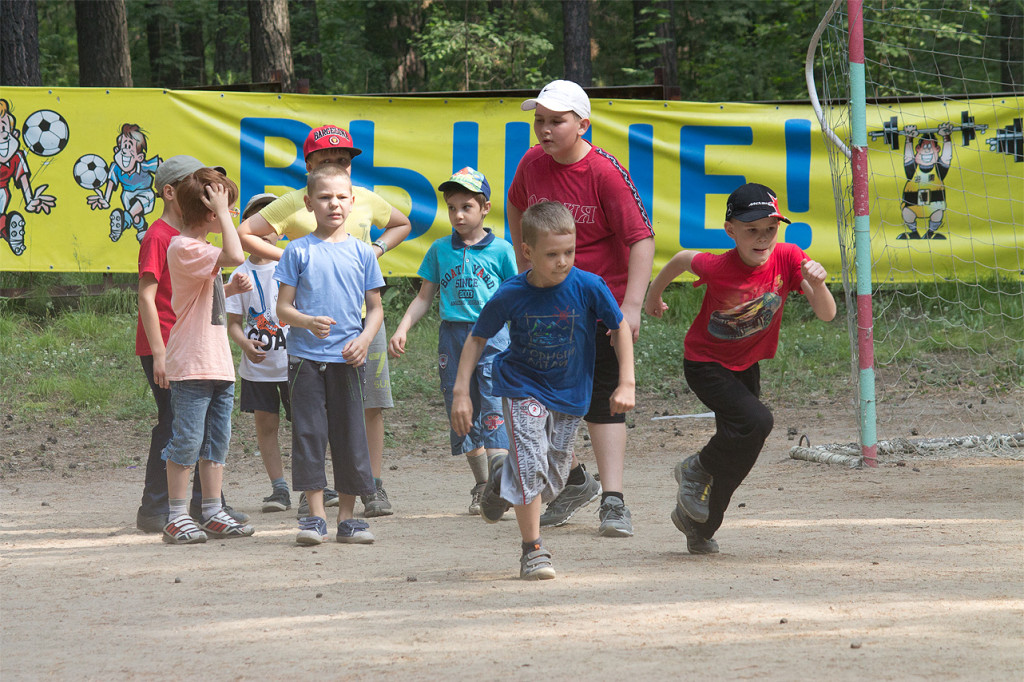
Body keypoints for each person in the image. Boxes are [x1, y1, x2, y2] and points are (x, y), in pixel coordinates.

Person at [644, 182, 837, 554]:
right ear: (730, 230)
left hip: (746, 366)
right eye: (752, 229)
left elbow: (826, 313)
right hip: (705, 363)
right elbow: (683, 259)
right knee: (759, 422)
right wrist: (654, 296)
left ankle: (699, 526)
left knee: (743, 447)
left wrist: (817, 283)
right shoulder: (719, 265)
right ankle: (695, 467)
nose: (762, 237)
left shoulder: (789, 256)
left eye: (770, 228)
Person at [452, 201, 635, 580]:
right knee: (531, 467)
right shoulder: (511, 293)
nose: (563, 261)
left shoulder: (588, 285)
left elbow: (619, 328)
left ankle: (503, 479)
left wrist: (626, 381)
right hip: (522, 387)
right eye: (552, 254)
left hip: (570, 395)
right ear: (527, 251)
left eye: (569, 252)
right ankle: (532, 550)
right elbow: (477, 337)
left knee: (552, 482)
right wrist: (460, 393)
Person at [506, 79, 655, 537]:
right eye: (540, 121)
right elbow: (516, 208)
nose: (545, 131)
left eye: (556, 121)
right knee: (542, 396)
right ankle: (572, 481)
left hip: (597, 302)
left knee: (602, 399)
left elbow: (641, 239)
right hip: (548, 304)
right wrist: (522, 261)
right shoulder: (532, 163)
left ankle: (613, 500)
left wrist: (630, 306)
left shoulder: (605, 172)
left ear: (582, 124)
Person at [238, 125, 411, 518]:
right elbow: (246, 232)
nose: (336, 165)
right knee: (315, 413)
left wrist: (378, 248)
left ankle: (373, 487)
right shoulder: (295, 203)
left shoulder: (362, 198)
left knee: (370, 404)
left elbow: (402, 223)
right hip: (313, 329)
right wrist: (291, 260)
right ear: (309, 164)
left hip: (363, 325)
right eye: (327, 159)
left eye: (344, 161)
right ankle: (314, 491)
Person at [388, 167, 517, 514]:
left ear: (485, 208)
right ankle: (481, 485)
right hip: (452, 338)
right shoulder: (439, 249)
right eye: (452, 207)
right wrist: (402, 327)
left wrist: (522, 339)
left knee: (493, 407)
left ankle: (499, 485)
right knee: (461, 414)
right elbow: (424, 298)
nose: (458, 215)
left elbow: (516, 299)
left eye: (467, 207)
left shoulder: (502, 250)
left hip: (492, 338)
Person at [135, 156, 250, 534]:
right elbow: (235, 255)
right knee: (182, 436)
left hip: (214, 359)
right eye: (220, 204)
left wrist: (229, 288)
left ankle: (211, 509)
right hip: (185, 356)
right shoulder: (178, 244)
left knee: (215, 441)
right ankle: (172, 513)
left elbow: (206, 291)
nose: (228, 210)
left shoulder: (196, 247)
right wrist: (160, 354)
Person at [275, 164, 385, 546]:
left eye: (341, 197)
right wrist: (305, 321)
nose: (333, 204)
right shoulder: (296, 250)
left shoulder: (363, 253)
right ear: (308, 203)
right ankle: (315, 517)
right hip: (305, 360)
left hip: (349, 361)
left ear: (353, 202)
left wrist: (364, 340)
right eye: (324, 197)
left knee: (351, 435)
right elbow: (282, 309)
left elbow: (375, 309)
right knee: (309, 434)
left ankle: (349, 520)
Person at [226, 192, 293, 513]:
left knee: (309, 425)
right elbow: (234, 323)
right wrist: (243, 344)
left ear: (281, 230)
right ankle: (279, 488)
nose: (265, 227)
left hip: (296, 364)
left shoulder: (292, 266)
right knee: (267, 427)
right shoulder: (238, 273)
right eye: (257, 219)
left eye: (272, 220)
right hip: (259, 370)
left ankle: (316, 485)